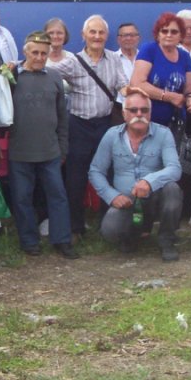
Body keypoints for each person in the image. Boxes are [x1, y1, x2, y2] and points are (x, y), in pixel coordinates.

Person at [47, 15, 127, 238]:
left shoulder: (114, 59)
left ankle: (107, 224)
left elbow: (123, 85)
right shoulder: (74, 61)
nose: (97, 36)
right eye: (92, 32)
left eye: (101, 32)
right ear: (83, 35)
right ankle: (76, 228)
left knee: (106, 174)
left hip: (105, 126)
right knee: (76, 178)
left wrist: (135, 92)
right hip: (78, 126)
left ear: (106, 36)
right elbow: (49, 71)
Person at [7, 31, 79, 259]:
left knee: (58, 195)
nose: (39, 57)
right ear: (25, 51)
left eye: (44, 53)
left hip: (50, 151)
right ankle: (29, 242)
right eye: (35, 52)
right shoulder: (10, 75)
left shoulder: (55, 77)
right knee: (22, 198)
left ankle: (62, 240)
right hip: (19, 151)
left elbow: (62, 117)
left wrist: (63, 146)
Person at [90, 89, 182, 261]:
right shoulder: (111, 135)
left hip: (155, 196)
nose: (139, 114)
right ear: (124, 114)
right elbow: (96, 171)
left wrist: (149, 181)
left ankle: (167, 240)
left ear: (150, 113)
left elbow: (174, 169)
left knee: (172, 189)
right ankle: (132, 235)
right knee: (110, 231)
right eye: (133, 110)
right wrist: (112, 196)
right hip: (126, 200)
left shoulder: (163, 134)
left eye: (144, 110)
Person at [130, 12, 191, 126]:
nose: (169, 35)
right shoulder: (149, 50)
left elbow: (188, 91)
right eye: (164, 31)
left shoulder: (185, 56)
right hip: (147, 120)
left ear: (181, 36)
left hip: (176, 123)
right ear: (158, 34)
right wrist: (169, 97)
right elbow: (137, 84)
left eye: (174, 32)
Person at [113, 23, 141, 104]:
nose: (128, 38)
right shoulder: (112, 60)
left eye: (132, 35)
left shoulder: (146, 59)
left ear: (138, 38)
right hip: (119, 107)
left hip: (143, 107)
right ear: (118, 39)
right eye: (125, 35)